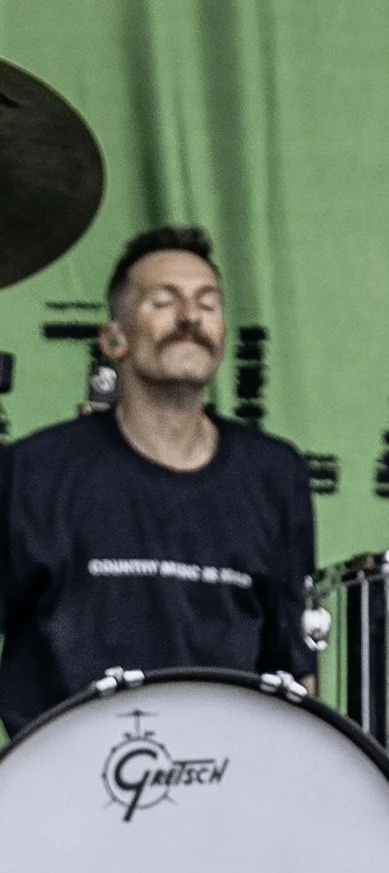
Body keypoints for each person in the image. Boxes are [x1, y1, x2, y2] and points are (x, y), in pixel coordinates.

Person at [0, 226, 317, 736]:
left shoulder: (274, 474)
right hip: (59, 784)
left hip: (228, 780)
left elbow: (295, 667)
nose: (190, 318)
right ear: (113, 339)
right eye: (164, 302)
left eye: (208, 304)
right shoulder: (36, 471)